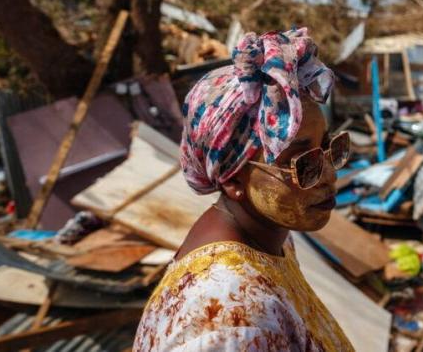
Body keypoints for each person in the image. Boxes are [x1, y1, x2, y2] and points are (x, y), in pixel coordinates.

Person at [133, 28, 355, 351]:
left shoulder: (271, 240)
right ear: (234, 180)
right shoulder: (229, 314)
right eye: (302, 163)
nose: (329, 175)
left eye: (329, 148)